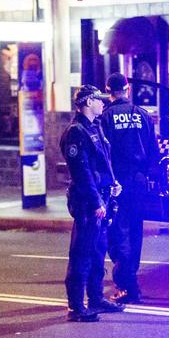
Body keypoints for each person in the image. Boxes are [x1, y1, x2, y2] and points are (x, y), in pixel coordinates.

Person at [60, 85, 125, 322]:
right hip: (89, 202)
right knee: (82, 253)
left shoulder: (95, 127)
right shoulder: (76, 132)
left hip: (102, 197)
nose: (103, 103)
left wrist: (113, 182)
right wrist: (96, 201)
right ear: (88, 102)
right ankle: (76, 307)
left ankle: (95, 299)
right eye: (99, 100)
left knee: (97, 252)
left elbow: (103, 162)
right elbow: (82, 171)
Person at [101, 73, 159, 304]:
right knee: (135, 231)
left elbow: (103, 153)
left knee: (118, 233)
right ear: (127, 89)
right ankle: (130, 278)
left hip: (116, 182)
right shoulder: (142, 115)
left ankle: (127, 286)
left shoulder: (105, 118)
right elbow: (154, 152)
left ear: (108, 90)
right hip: (138, 182)